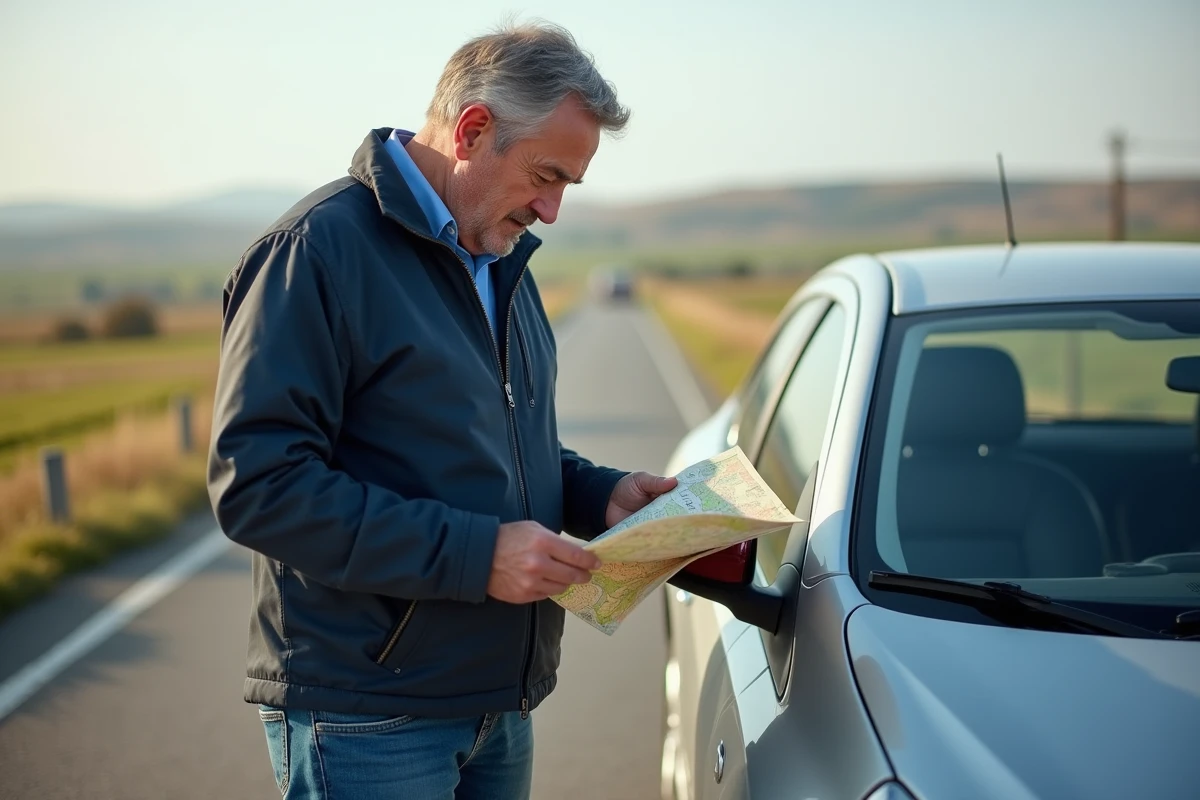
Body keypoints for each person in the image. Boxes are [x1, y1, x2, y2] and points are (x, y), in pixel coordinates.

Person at [207, 19, 678, 800]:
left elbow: (488, 447)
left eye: (568, 185)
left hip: (497, 706)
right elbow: (260, 487)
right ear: (472, 129)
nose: (552, 211)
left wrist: (599, 496)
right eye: (546, 176)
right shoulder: (315, 253)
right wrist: (478, 556)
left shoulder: (499, 259)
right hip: (366, 715)